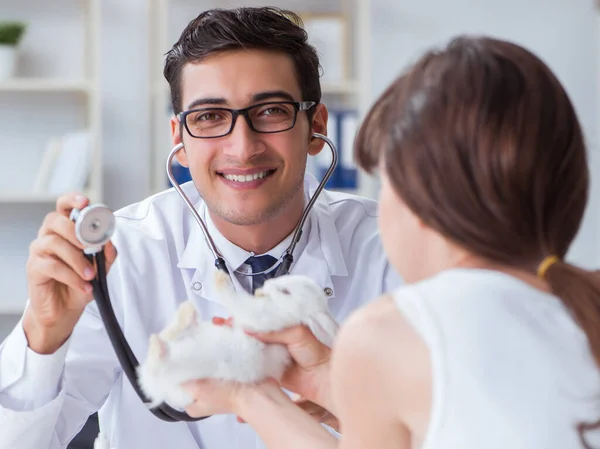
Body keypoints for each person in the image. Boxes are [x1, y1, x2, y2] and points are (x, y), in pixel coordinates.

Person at [0, 7, 401, 449]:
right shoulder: (120, 257)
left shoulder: (389, 250)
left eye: (270, 110)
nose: (242, 147)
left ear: (316, 125)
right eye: (209, 116)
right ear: (180, 139)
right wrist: (43, 333)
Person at [176, 36, 600, 449]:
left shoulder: (393, 330)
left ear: (417, 196)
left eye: (386, 182)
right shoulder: (585, 300)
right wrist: (337, 383)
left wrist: (248, 395)